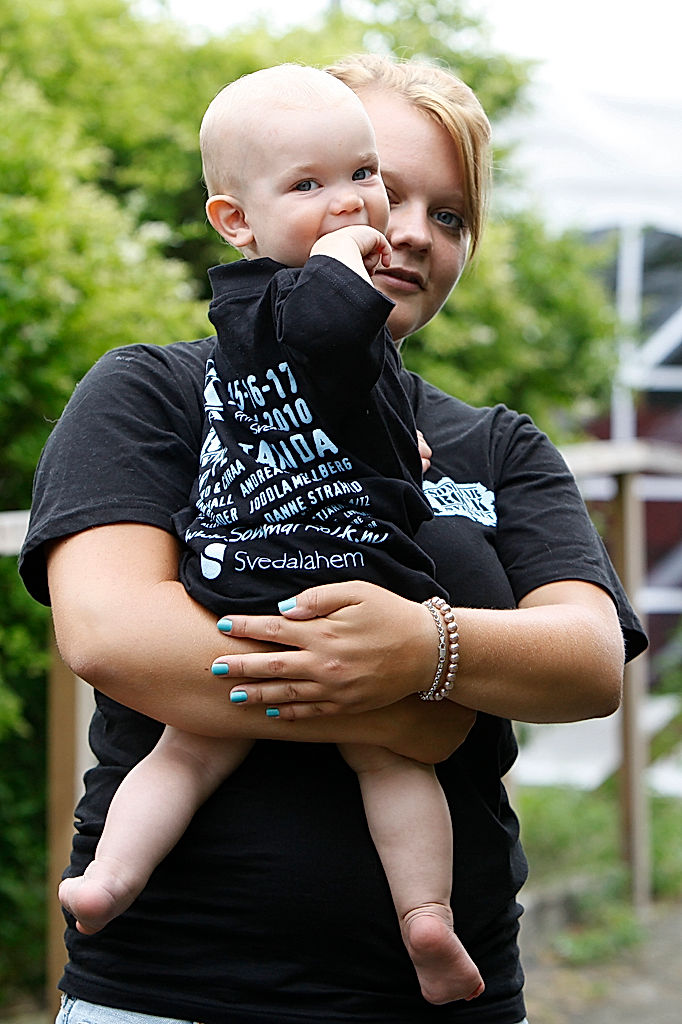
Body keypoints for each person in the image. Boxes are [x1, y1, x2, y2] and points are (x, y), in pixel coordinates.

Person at [19, 52, 646, 1024]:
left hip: (443, 1002)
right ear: (256, 205)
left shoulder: (496, 444)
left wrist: (424, 645)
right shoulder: (156, 392)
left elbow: (586, 659)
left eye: (449, 215)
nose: (404, 231)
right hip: (172, 992)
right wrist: (411, 706)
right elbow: (112, 632)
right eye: (380, 187)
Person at [56, 63, 484, 1006]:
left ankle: (421, 920)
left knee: (213, 751)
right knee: (380, 754)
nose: (355, 207)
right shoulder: (295, 294)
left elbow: (347, 394)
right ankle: (116, 881)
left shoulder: (315, 327)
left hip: (286, 578)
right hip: (293, 576)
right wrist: (346, 256)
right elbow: (330, 336)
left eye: (362, 175)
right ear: (235, 222)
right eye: (310, 186)